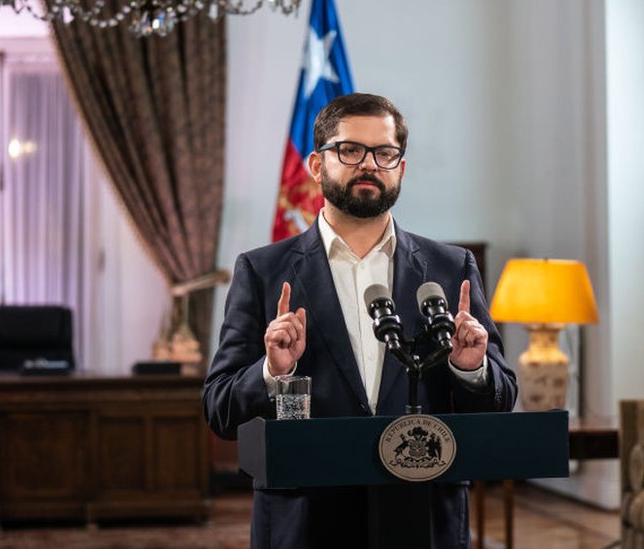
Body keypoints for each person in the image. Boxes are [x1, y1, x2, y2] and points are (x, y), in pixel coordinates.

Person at [202, 92, 517, 549]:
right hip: (305, 520)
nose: (369, 164)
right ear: (316, 165)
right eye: (350, 150)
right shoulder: (262, 271)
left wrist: (471, 369)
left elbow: (500, 401)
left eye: (385, 153)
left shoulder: (451, 269)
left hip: (422, 517)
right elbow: (219, 410)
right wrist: (274, 372)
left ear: (401, 168)